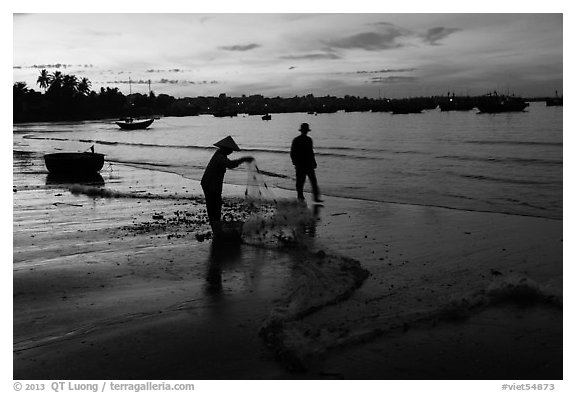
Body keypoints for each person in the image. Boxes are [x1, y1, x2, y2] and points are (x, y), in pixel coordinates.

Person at [201, 136, 253, 231]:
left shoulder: (219, 154)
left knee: (214, 206)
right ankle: (217, 229)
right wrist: (244, 159)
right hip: (210, 184)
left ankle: (216, 227)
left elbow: (229, 164)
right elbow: (231, 165)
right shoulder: (220, 157)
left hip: (209, 183)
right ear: (226, 149)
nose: (231, 152)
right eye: (231, 150)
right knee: (215, 206)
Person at [290, 123, 322, 203]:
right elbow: (293, 152)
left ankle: (304, 196)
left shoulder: (302, 140)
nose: (306, 132)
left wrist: (314, 161)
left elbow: (311, 152)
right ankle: (301, 196)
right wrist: (295, 162)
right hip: (303, 164)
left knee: (307, 181)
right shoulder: (304, 140)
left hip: (305, 164)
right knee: (304, 181)